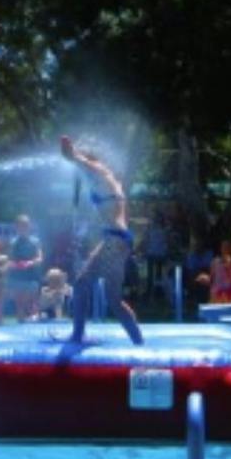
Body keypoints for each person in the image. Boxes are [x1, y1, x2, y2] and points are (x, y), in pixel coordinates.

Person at [60, 138, 143, 345]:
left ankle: (77, 337)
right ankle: (138, 342)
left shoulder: (100, 172)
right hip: (117, 239)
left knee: (84, 285)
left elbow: (88, 164)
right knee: (110, 298)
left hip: (115, 240)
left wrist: (73, 155)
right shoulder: (112, 181)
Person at [6, 214, 44, 321]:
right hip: (17, 278)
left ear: (29, 226)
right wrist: (14, 265)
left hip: (32, 277)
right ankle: (20, 325)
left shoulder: (35, 241)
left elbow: (40, 258)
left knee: (32, 303)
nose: (23, 228)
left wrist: (29, 263)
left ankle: (33, 325)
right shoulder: (13, 242)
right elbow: (9, 260)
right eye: (20, 225)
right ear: (17, 227)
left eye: (25, 225)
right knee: (19, 304)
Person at [206, 238, 231, 304]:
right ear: (221, 248)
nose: (225, 249)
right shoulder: (215, 262)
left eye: (228, 247)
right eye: (224, 247)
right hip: (217, 293)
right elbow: (211, 278)